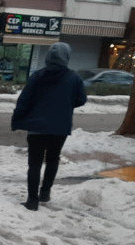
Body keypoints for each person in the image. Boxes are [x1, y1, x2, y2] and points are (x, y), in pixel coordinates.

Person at [11, 42, 87, 211]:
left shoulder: (37, 77)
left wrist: (17, 119)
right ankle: (45, 193)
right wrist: (66, 104)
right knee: (53, 159)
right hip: (60, 127)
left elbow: (24, 101)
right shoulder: (73, 78)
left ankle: (32, 200)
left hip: (36, 127)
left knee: (35, 163)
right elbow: (81, 99)